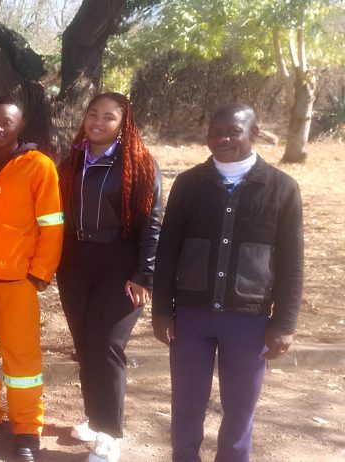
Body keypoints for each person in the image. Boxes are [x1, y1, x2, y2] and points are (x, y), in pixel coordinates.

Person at [152, 103, 303, 462]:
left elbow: (292, 261)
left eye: (233, 132)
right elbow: (168, 250)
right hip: (192, 316)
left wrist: (284, 323)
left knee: (240, 409)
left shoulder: (281, 188)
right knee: (186, 403)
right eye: (215, 132)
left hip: (249, 319)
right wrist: (162, 310)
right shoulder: (189, 184)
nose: (222, 139)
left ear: (254, 133)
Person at [55, 92, 162, 462]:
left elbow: (152, 224)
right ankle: (93, 417)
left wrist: (144, 275)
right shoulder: (71, 161)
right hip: (75, 265)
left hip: (120, 265)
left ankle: (109, 434)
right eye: (93, 114)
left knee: (106, 345)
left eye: (108, 117)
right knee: (85, 345)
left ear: (123, 123)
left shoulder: (140, 163)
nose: (98, 122)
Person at [0, 98, 63, 461]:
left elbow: (52, 225)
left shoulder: (38, 166)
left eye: (7, 122)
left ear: (21, 125)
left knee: (21, 361)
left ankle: (26, 428)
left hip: (17, 282)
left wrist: (40, 273)